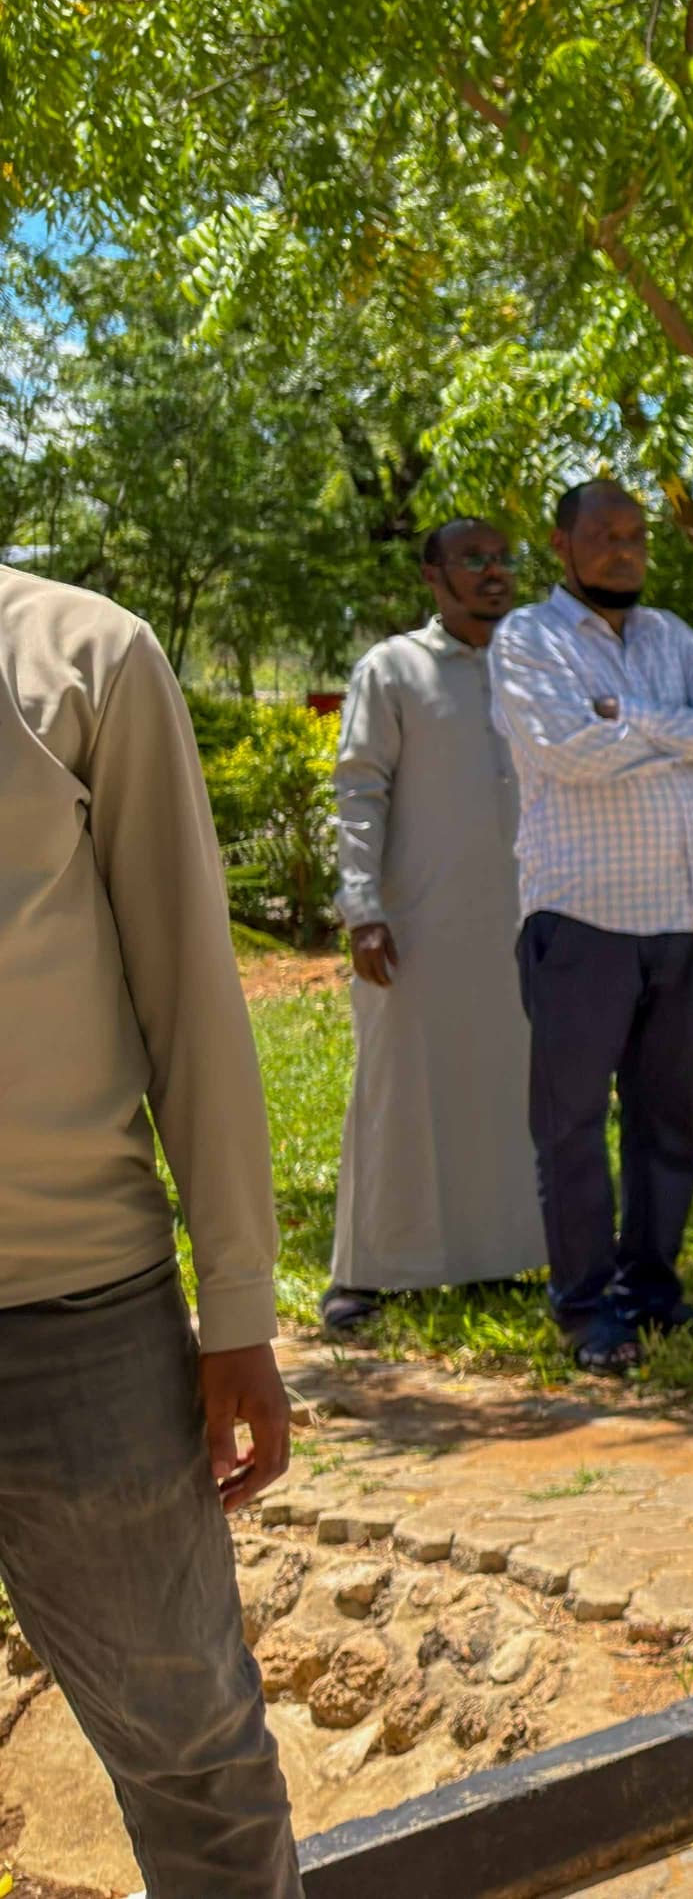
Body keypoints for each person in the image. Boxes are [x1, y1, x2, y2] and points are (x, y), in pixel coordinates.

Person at [0, 562, 302, 1898]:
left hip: (72, 1317)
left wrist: (235, 1304)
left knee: (192, 1760)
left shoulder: (78, 659)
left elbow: (191, 992)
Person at [490, 478, 693, 1375]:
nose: (625, 549)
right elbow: (569, 751)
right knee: (572, 1127)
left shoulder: (671, 637)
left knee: (668, 1122)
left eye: (636, 535)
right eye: (603, 535)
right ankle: (584, 1308)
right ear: (560, 545)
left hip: (684, 918)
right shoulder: (529, 638)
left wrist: (633, 717)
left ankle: (653, 1288)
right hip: (584, 918)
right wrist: (680, 734)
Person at [322, 516, 544, 1330]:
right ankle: (371, 1274)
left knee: (503, 1088)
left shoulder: (532, 667)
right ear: (432, 576)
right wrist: (363, 909)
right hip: (413, 921)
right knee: (400, 1091)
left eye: (502, 557)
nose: (493, 572)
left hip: (519, 921)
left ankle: (496, 1262)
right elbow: (358, 790)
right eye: (472, 559)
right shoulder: (393, 668)